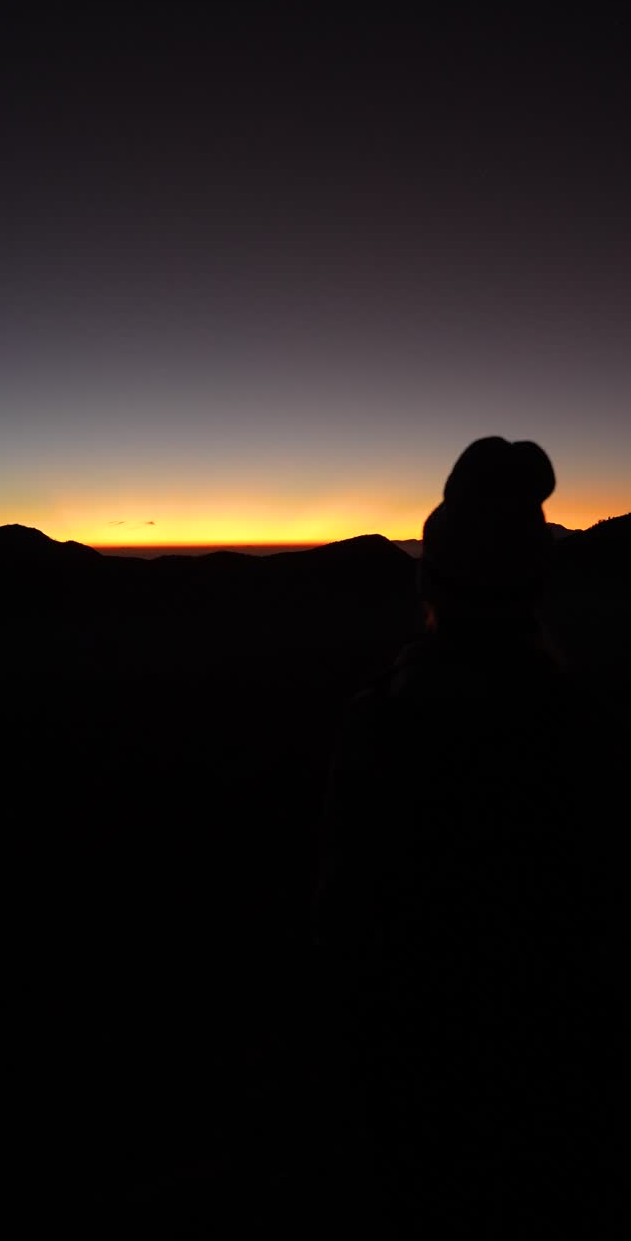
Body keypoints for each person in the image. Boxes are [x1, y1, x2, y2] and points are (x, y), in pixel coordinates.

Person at [312, 438, 615, 1231]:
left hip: (421, 1093)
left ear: (429, 579)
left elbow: (349, 920)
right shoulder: (579, 724)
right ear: (537, 584)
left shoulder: (388, 721)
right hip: (556, 1093)